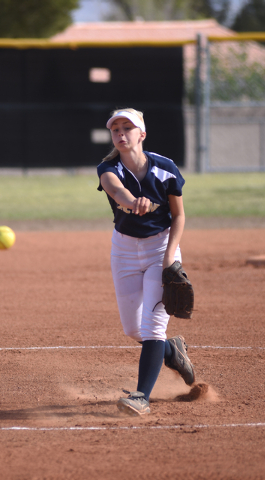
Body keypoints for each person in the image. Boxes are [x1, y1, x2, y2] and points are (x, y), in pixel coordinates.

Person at [97, 108, 195, 416]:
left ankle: (141, 397)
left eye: (128, 128)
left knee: (152, 326)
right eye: (116, 129)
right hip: (124, 251)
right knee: (132, 329)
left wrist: (169, 259)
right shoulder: (108, 166)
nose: (121, 133)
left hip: (159, 249)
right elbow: (117, 191)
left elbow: (178, 216)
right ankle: (172, 351)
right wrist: (131, 202)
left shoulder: (165, 168)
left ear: (142, 134)